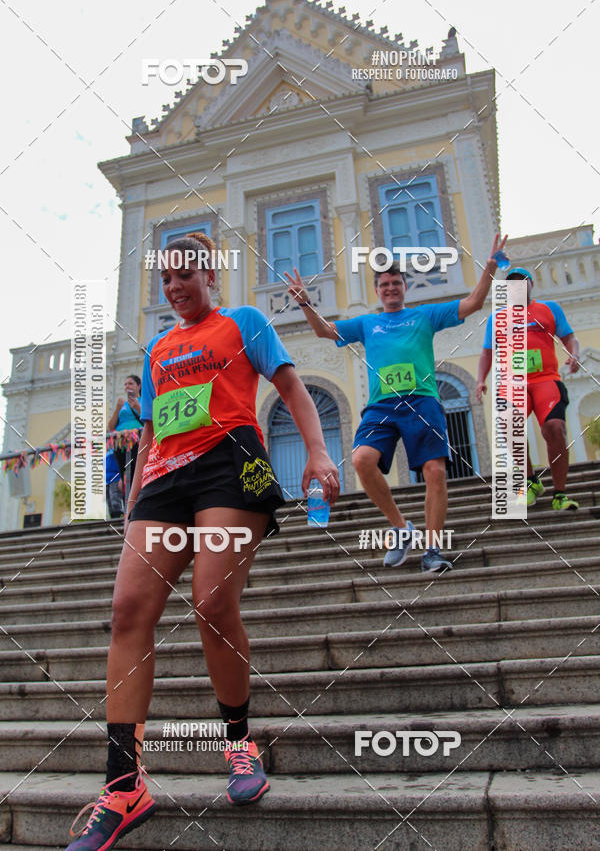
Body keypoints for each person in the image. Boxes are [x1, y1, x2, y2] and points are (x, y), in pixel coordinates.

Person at [65, 232, 339, 851]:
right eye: (165, 279)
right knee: (127, 611)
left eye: (185, 274)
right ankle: (124, 784)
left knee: (212, 602)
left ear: (210, 272)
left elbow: (292, 388)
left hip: (229, 465)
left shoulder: (244, 322)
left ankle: (239, 744)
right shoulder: (159, 347)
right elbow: (157, 430)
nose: (174, 286)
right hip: (164, 477)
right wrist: (133, 502)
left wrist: (317, 451)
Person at [286, 234, 507, 573]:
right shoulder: (367, 323)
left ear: (404, 287)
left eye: (396, 283)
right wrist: (305, 303)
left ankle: (433, 550)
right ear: (378, 290)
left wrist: (490, 268)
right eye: (385, 284)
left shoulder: (426, 316)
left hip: (423, 401)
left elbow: (475, 302)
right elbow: (324, 331)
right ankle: (402, 528)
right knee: (361, 460)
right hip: (382, 406)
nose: (390, 288)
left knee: (435, 471)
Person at [476, 266, 580, 510]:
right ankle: (531, 481)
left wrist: (574, 354)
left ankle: (560, 494)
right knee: (508, 425)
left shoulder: (549, 309)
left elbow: (569, 337)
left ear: (531, 284)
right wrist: (481, 379)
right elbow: (487, 352)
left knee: (555, 428)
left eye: (522, 282)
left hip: (546, 380)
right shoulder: (497, 318)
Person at [108, 375, 143, 497]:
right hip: (120, 442)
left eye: (131, 383)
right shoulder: (122, 404)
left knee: (135, 471)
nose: (127, 386)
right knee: (125, 472)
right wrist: (117, 408)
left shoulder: (144, 400)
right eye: (125, 384)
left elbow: (151, 421)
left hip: (137, 441)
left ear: (139, 386)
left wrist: (137, 407)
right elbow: (110, 427)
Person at [105, 450, 123, 519]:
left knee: (115, 501)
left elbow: (121, 465)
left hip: (115, 478)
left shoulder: (114, 449)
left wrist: (121, 478)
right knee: (109, 504)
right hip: (106, 480)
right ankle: (113, 521)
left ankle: (119, 519)